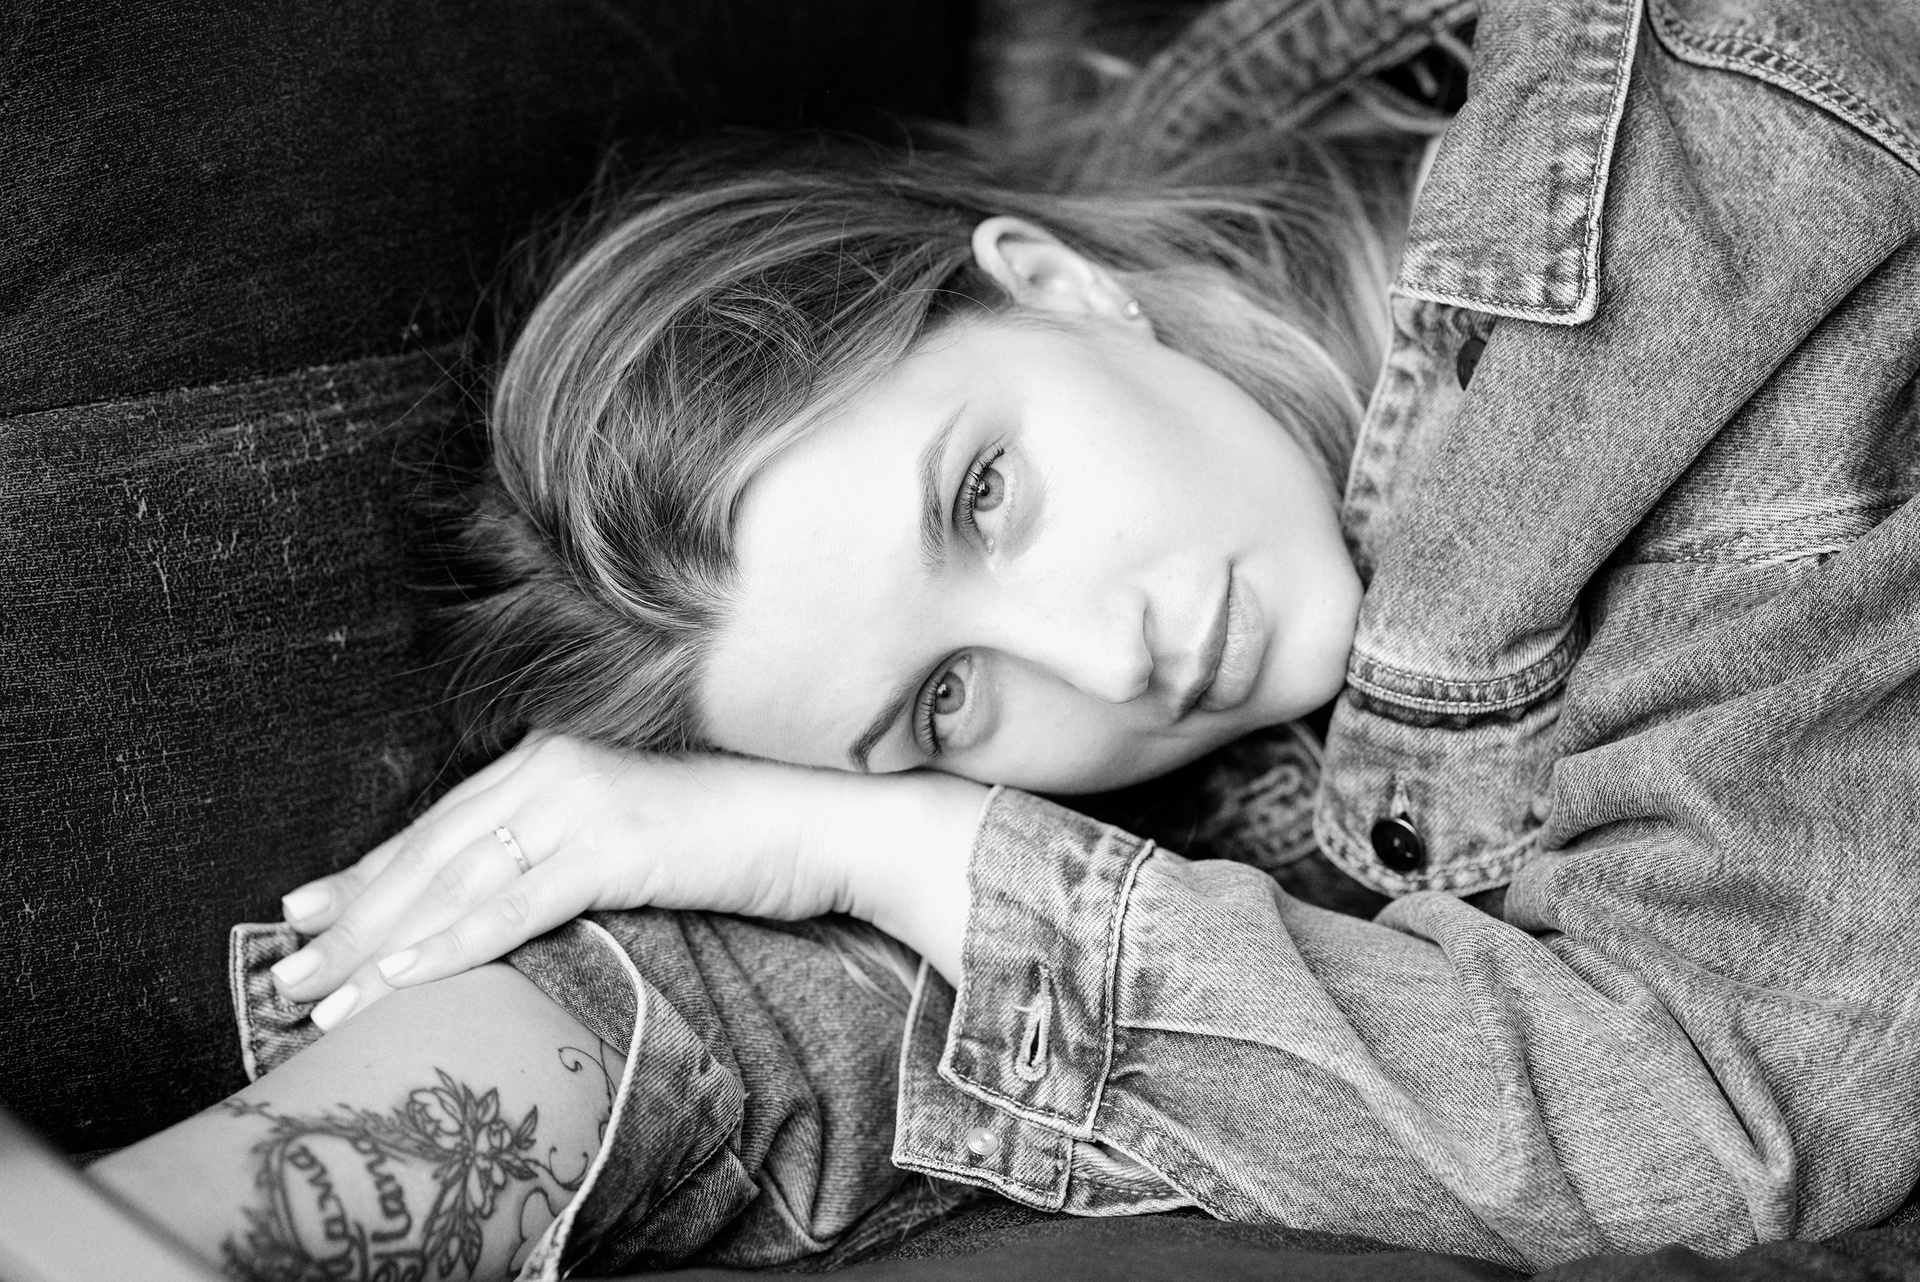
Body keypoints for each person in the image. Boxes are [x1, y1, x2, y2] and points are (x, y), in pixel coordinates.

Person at [92, 0, 1920, 1278]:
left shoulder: (1683, 208)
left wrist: (878, 835)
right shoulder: (1225, 731)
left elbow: (1739, 1108)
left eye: (984, 496)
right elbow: (824, 1010)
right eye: (942, 704)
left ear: (1057, 284)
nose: (1106, 663)